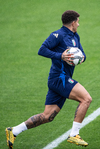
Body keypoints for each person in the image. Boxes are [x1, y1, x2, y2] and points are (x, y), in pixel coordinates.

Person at [5, 10, 92, 148]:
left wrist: (79, 58)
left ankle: (14, 130)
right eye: (78, 22)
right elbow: (42, 49)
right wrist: (61, 56)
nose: (79, 25)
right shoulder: (58, 35)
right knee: (86, 99)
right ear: (73, 22)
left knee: (48, 116)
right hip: (59, 78)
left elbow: (83, 54)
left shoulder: (76, 36)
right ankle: (74, 134)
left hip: (61, 79)